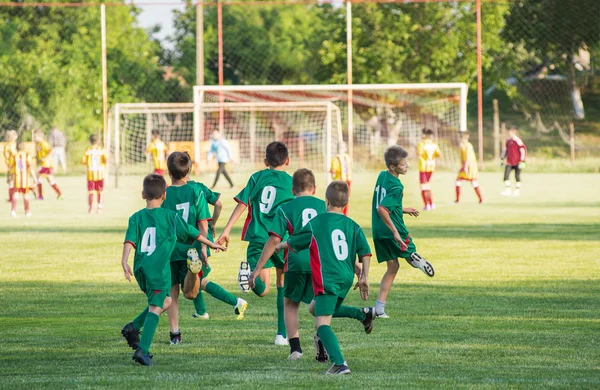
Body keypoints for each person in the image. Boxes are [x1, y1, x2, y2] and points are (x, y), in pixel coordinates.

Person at [120, 174, 225, 366]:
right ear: (164, 196)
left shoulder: (135, 217)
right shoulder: (171, 217)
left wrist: (124, 261)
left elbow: (129, 240)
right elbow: (193, 232)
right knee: (156, 306)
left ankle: (132, 327)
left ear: (143, 194)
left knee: (166, 300)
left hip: (141, 268)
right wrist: (211, 243)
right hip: (158, 269)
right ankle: (142, 350)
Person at [276, 181, 373, 375]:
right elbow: (365, 252)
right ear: (346, 203)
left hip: (327, 278)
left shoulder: (317, 223)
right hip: (345, 278)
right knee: (314, 308)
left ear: (326, 201)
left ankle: (339, 363)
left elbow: (294, 241)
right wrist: (364, 277)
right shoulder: (352, 225)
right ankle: (362, 315)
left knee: (321, 324)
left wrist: (278, 246)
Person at [162, 152, 246, 345]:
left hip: (172, 247)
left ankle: (175, 333)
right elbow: (213, 209)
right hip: (195, 242)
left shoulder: (164, 193)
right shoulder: (197, 189)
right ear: (190, 169)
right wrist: (207, 236)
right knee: (197, 282)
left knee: (175, 290)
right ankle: (208, 310)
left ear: (168, 171)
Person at [217, 141, 294, 345]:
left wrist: (226, 230)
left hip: (258, 238)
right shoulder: (291, 182)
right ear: (288, 161)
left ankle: (248, 275)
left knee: (262, 289)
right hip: (281, 240)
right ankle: (281, 335)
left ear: (265, 161)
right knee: (281, 285)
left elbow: (243, 203)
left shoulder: (256, 177)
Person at [248, 168, 328, 360]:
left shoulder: (285, 209)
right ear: (315, 188)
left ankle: (295, 350)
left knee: (291, 305)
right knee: (321, 306)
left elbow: (275, 240)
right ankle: (322, 342)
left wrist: (257, 268)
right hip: (320, 263)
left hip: (294, 261)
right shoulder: (323, 205)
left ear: (292, 190)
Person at [372, 145, 435, 319]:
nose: (407, 166)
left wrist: (402, 208)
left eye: (407, 163)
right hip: (393, 227)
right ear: (393, 167)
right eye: (403, 164)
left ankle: (379, 308)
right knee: (407, 250)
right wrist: (395, 231)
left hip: (378, 230)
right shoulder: (397, 186)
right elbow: (383, 209)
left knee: (392, 267)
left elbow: (382, 203)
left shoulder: (382, 175)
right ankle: (415, 259)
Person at [80, 134, 107, 214]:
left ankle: (90, 209)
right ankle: (99, 208)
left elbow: (83, 161)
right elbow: (105, 159)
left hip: (91, 175)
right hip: (100, 175)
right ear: (98, 141)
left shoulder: (87, 150)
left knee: (91, 192)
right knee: (100, 192)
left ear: (90, 141)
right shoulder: (101, 149)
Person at [9, 142, 36, 217]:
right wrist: (35, 178)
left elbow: (11, 169)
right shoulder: (27, 155)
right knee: (26, 195)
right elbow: (30, 168)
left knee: (16, 195)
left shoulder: (14, 156)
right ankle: (27, 211)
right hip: (25, 180)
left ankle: (13, 211)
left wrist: (10, 178)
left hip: (17, 180)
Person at [34, 130, 63, 200]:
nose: (34, 138)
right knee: (50, 180)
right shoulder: (38, 144)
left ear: (39, 136)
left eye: (35, 137)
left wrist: (45, 158)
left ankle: (40, 196)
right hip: (45, 164)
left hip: (47, 164)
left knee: (38, 176)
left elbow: (51, 150)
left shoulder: (44, 143)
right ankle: (60, 194)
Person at [416, 129, 442, 211]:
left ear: (424, 135)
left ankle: (426, 205)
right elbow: (439, 154)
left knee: (423, 186)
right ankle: (431, 203)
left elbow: (419, 154)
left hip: (424, 167)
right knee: (428, 185)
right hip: (431, 167)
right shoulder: (434, 144)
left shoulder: (422, 144)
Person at [455, 132, 483, 203]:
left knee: (458, 180)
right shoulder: (469, 145)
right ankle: (481, 199)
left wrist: (465, 167)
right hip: (472, 165)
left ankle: (457, 200)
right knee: (473, 182)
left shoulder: (464, 146)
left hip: (467, 165)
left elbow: (466, 157)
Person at [501, 127, 527, 196]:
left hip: (518, 162)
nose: (509, 134)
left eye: (510, 133)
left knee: (517, 176)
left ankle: (517, 190)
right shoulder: (508, 141)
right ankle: (507, 190)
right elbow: (505, 150)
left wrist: (522, 160)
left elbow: (522, 150)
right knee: (506, 175)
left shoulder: (518, 141)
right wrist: (502, 158)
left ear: (514, 133)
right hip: (509, 161)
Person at [329, 142, 352, 215]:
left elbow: (333, 172)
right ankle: (343, 214)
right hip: (345, 181)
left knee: (340, 200)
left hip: (342, 182)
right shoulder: (347, 158)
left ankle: (340, 214)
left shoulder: (337, 159)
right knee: (344, 199)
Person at [4, 130, 18, 203]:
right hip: (12, 165)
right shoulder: (10, 144)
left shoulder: (11, 145)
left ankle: (11, 197)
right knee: (11, 181)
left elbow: (14, 154)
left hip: (13, 165)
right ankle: (11, 197)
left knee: (11, 181)